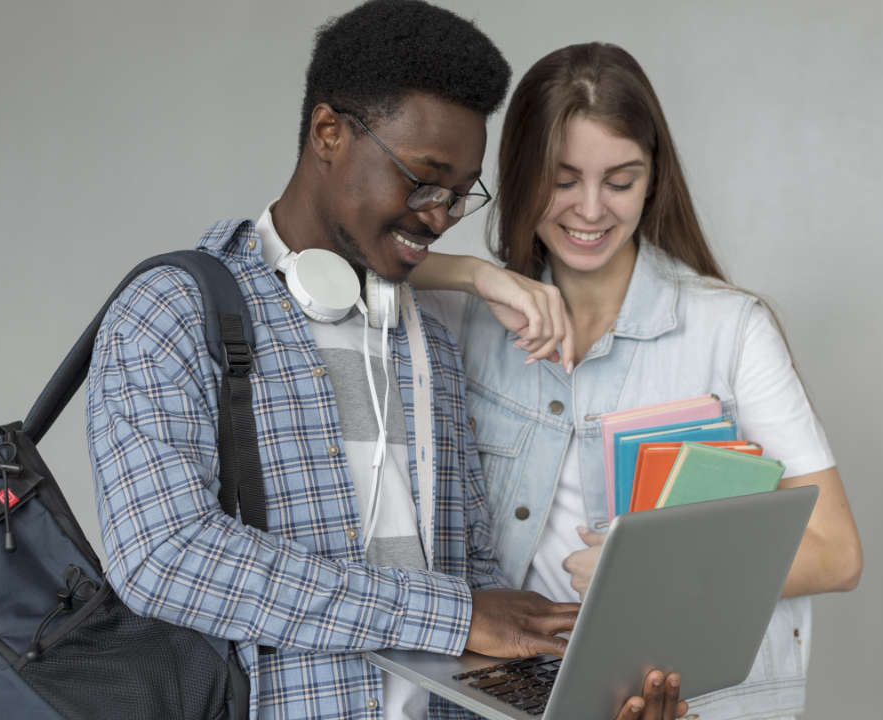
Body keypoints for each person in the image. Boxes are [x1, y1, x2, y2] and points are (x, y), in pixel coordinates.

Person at [86, 4, 686, 719]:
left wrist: (571, 697)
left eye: (460, 194)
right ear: (328, 133)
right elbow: (165, 559)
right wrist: (450, 615)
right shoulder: (169, 313)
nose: (438, 216)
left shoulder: (425, 336)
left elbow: (476, 581)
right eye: (422, 180)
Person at [411, 42, 863, 719]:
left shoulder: (730, 329)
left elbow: (837, 553)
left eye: (620, 181)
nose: (591, 211)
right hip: (523, 700)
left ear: (654, 179)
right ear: (520, 174)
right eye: (562, 180)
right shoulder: (468, 319)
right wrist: (476, 273)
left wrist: (649, 575)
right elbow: (334, 260)